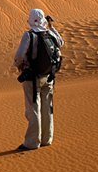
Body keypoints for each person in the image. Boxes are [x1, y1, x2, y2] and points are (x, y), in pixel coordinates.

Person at [14, 8, 64, 151]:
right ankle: (47, 139)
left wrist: (19, 67)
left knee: (33, 109)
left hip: (32, 78)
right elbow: (61, 43)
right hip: (49, 76)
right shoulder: (50, 33)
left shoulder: (29, 35)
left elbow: (19, 56)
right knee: (47, 107)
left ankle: (32, 142)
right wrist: (51, 26)